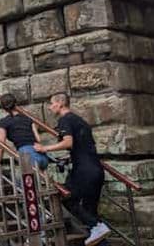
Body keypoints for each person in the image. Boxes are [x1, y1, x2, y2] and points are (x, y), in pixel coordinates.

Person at [34, 93, 111, 246]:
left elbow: (68, 142)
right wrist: (69, 158)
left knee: (66, 198)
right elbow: (83, 146)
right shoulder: (80, 121)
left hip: (83, 170)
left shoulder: (65, 120)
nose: (50, 107)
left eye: (52, 104)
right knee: (90, 213)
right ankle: (99, 232)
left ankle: (97, 226)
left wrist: (44, 148)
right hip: (96, 169)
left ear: (61, 104)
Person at [0, 93, 48, 170]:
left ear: (4, 108)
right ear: (15, 103)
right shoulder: (28, 117)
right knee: (42, 180)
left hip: (26, 154)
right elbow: (38, 139)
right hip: (41, 153)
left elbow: (1, 145)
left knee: (27, 181)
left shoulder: (4, 122)